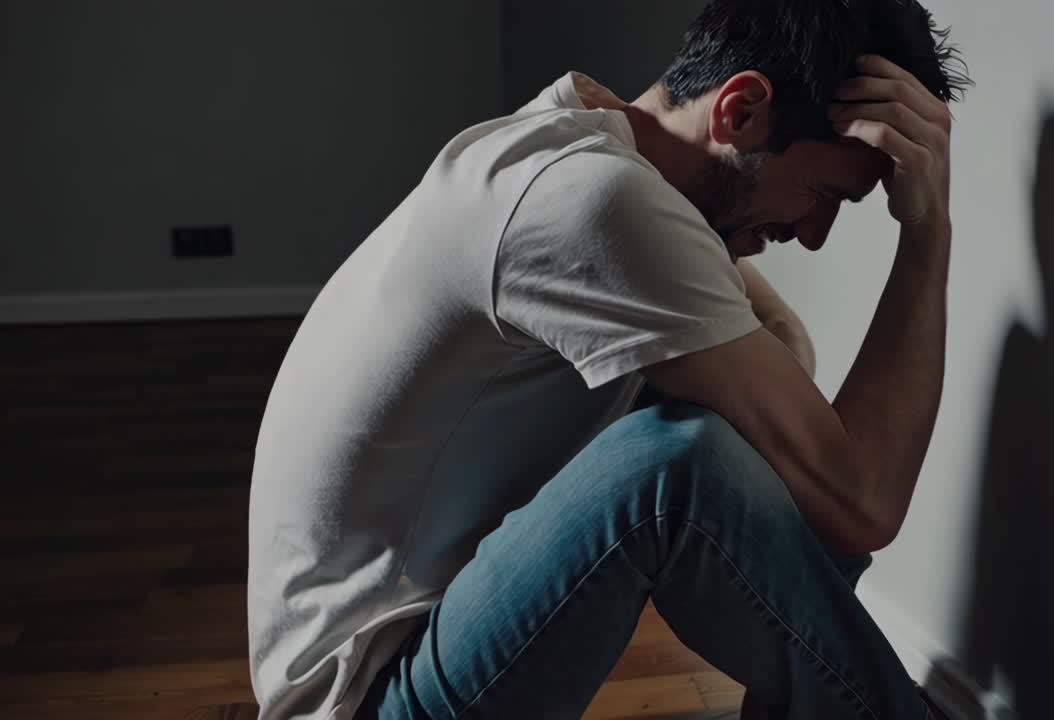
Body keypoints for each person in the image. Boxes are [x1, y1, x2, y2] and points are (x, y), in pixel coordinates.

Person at [247, 1, 972, 718]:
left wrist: (790, 421)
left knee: (767, 447)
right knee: (679, 464)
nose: (813, 234)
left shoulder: (580, 144)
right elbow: (864, 504)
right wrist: (928, 230)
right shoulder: (595, 201)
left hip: (421, 644)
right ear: (741, 110)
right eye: (822, 194)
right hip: (365, 698)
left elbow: (788, 371)